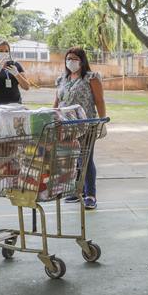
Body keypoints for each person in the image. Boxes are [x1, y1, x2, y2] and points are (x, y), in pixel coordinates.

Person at [53, 47, 107, 210]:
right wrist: (52, 115)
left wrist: (102, 121)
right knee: (74, 158)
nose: (71, 61)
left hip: (86, 125)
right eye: (68, 58)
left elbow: (99, 100)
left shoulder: (91, 78)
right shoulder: (62, 79)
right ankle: (79, 190)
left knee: (86, 158)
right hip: (66, 126)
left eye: (75, 58)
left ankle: (90, 194)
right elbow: (57, 101)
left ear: (82, 61)